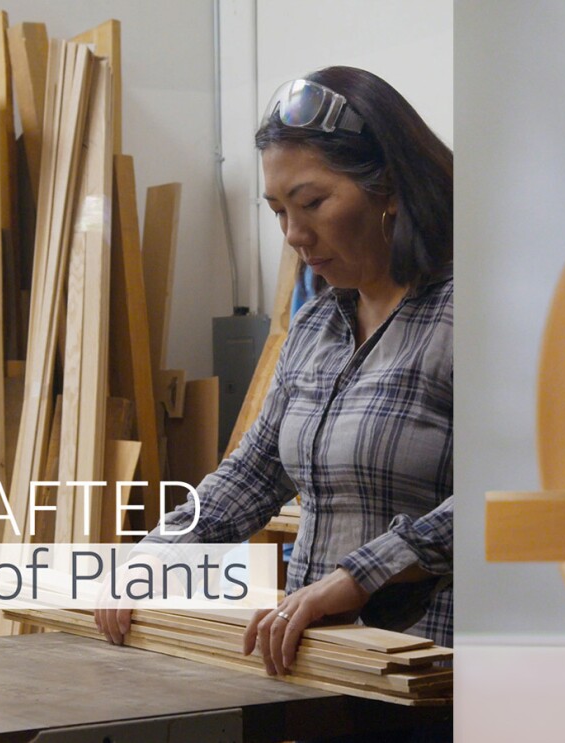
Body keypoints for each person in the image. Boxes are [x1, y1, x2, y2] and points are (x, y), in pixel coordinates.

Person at [95, 66, 453, 685]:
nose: (294, 235)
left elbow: (502, 501)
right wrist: (152, 555)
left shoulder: (470, 318)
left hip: (430, 677)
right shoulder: (317, 327)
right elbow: (253, 472)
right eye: (278, 210)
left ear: (388, 185)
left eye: (313, 203)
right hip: (323, 672)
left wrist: (356, 576)